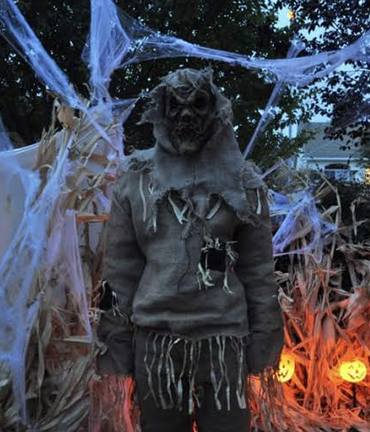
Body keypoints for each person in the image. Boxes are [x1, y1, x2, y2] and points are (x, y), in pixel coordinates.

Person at [96, 68, 284, 432]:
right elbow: (118, 272)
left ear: (215, 111)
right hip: (156, 341)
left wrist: (264, 341)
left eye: (197, 105)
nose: (185, 115)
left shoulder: (242, 181)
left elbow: (259, 271)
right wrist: (113, 343)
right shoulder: (136, 177)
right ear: (160, 112)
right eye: (174, 106)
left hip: (223, 342)